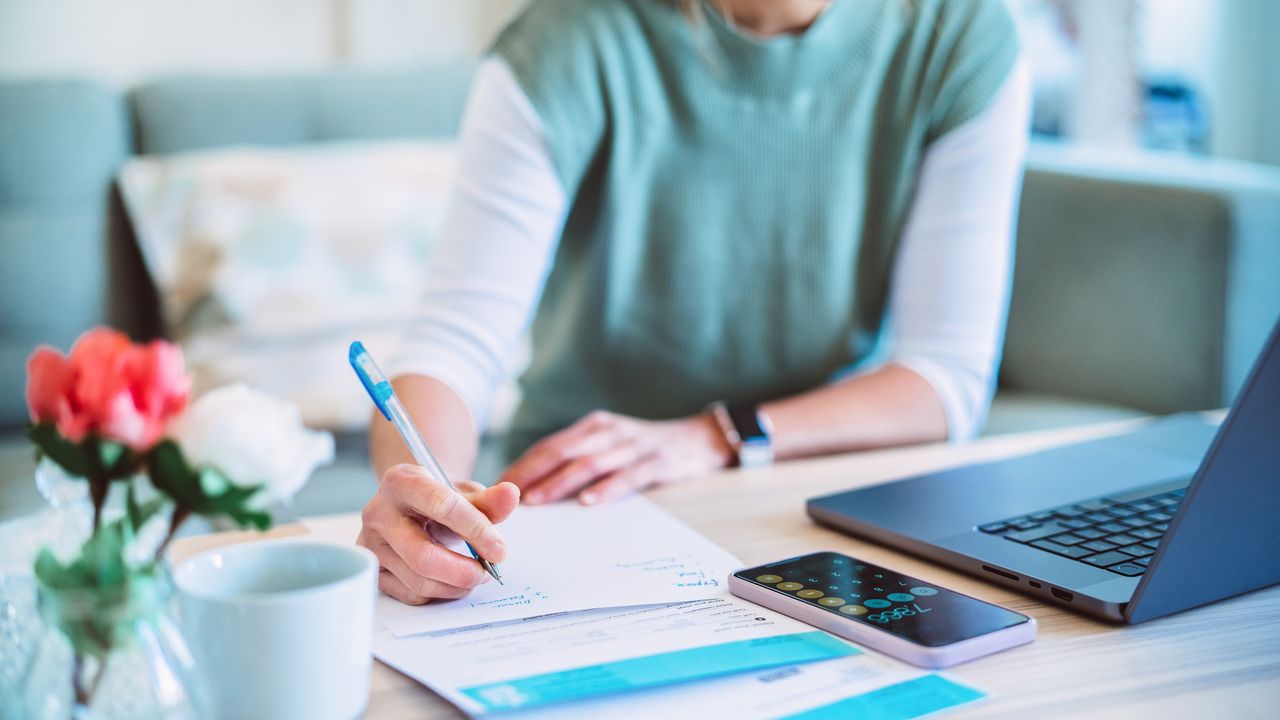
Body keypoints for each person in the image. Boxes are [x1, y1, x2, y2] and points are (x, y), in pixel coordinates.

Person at [359, 0, 1031, 604]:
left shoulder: (960, 34)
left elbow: (945, 378)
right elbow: (456, 339)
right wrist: (421, 493)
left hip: (831, 493)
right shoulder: (565, 39)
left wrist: (714, 436)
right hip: (580, 500)